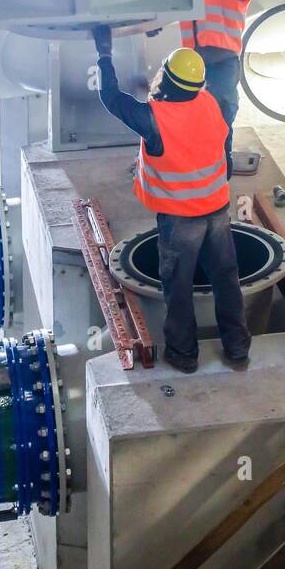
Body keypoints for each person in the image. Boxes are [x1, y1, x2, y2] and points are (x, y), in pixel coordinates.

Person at [92, 25, 251, 374]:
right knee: (226, 278)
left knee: (178, 286)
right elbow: (225, 154)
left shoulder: (155, 118)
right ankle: (238, 349)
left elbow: (112, 99)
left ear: (167, 79)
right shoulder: (212, 104)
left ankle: (183, 354)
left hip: (181, 219)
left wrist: (104, 54)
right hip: (218, 210)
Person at [181, 0, 251, 167]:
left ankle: (222, 166)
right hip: (190, 65)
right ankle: (198, 166)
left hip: (223, 63)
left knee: (221, 116)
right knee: (191, 117)